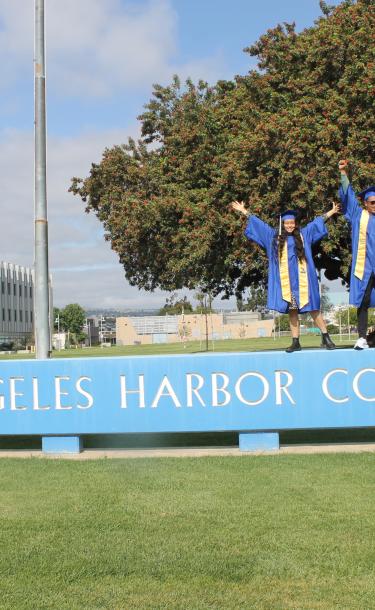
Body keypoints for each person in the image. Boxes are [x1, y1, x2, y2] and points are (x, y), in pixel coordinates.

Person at [231, 200, 339, 352]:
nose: (290, 225)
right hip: (287, 283)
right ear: (282, 224)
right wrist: (244, 211)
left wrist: (330, 212)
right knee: (292, 310)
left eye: (292, 223)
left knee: (314, 309)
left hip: (303, 281)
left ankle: (326, 337)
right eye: (287, 223)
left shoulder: (303, 235)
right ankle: (296, 342)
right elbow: (259, 225)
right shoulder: (273, 238)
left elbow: (316, 223)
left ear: (295, 223)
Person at [338, 159, 375, 350]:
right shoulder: (359, 215)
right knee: (364, 301)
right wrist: (343, 174)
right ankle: (361, 337)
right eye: (372, 202)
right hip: (366, 267)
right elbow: (349, 197)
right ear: (366, 203)